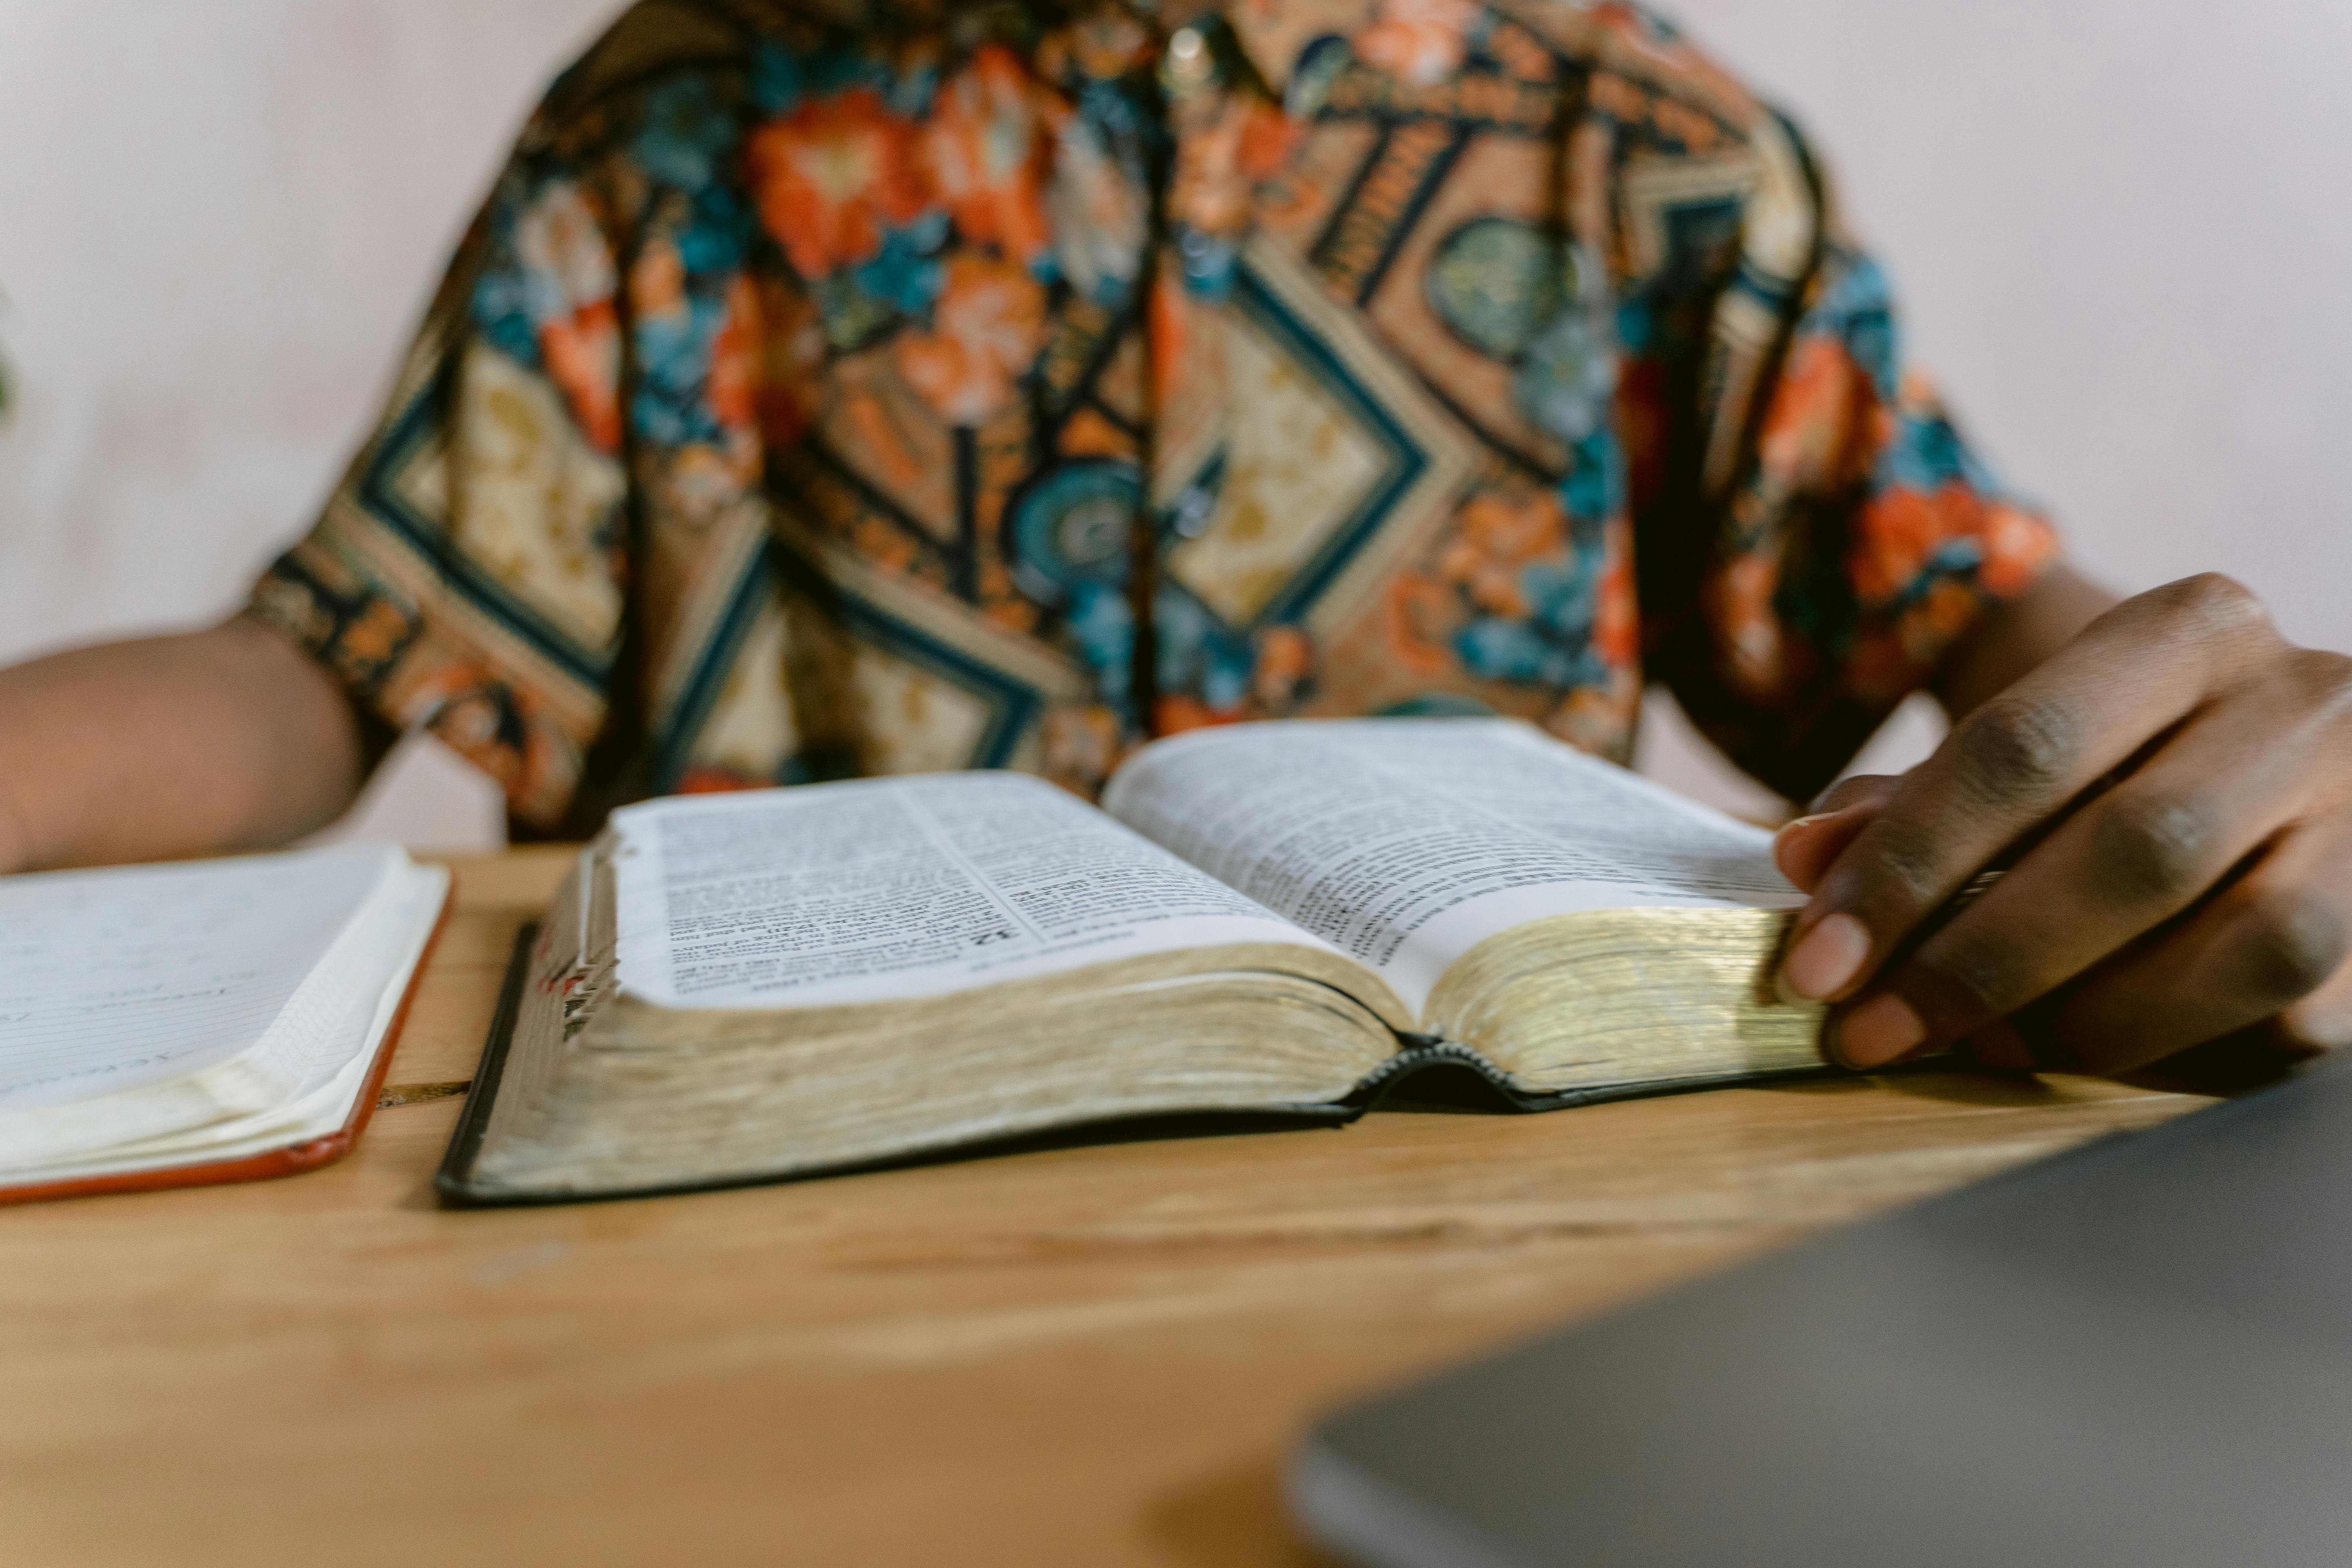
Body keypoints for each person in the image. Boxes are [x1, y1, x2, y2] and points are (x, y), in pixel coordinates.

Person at [1, 0, 2344, 1082]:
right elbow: (330, 655)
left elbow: (1964, 605)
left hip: (1451, 1239)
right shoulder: (679, 122)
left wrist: (2212, 796)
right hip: (760, 1230)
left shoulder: (1639, 147)